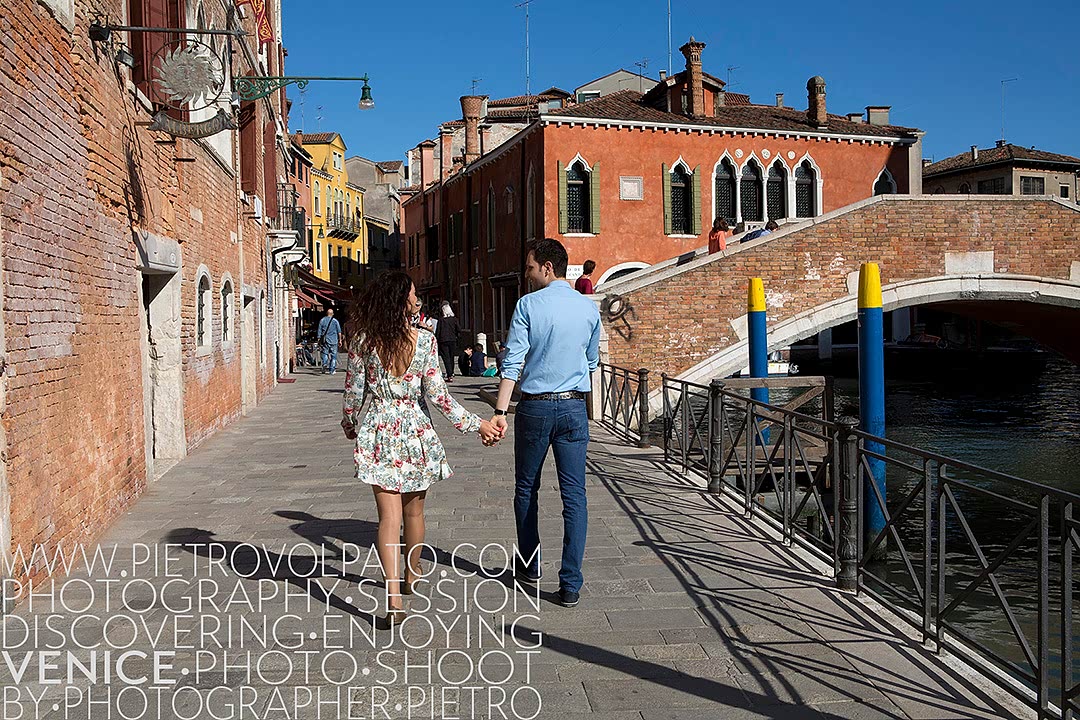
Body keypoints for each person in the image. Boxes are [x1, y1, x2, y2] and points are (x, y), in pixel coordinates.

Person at [341, 271, 502, 625]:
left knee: (388, 518)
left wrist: (350, 422)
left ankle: (394, 599)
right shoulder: (425, 342)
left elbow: (354, 394)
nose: (417, 301)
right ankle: (412, 573)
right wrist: (479, 425)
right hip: (415, 433)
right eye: (413, 296)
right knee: (414, 514)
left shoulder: (363, 341)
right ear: (400, 301)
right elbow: (440, 398)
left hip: (380, 431)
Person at [490, 238, 601, 609]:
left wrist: (500, 413)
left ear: (547, 268)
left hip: (535, 408)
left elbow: (512, 365)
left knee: (526, 489)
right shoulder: (588, 309)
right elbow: (591, 362)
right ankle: (570, 584)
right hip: (573, 409)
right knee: (575, 497)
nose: (527, 274)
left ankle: (529, 567)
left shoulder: (527, 306)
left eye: (530, 268)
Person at [434, 301, 461, 382]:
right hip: (452, 340)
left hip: (443, 341)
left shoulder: (441, 320)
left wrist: (436, 340)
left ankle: (449, 374)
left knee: (446, 358)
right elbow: (459, 329)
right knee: (451, 357)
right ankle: (451, 372)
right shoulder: (454, 319)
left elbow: (438, 332)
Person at [317, 308, 342, 374]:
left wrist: (319, 339)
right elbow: (339, 331)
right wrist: (340, 340)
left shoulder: (322, 320)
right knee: (333, 355)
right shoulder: (335, 321)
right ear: (332, 314)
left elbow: (319, 331)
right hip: (334, 340)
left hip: (325, 340)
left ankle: (324, 364)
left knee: (325, 353)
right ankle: (332, 370)